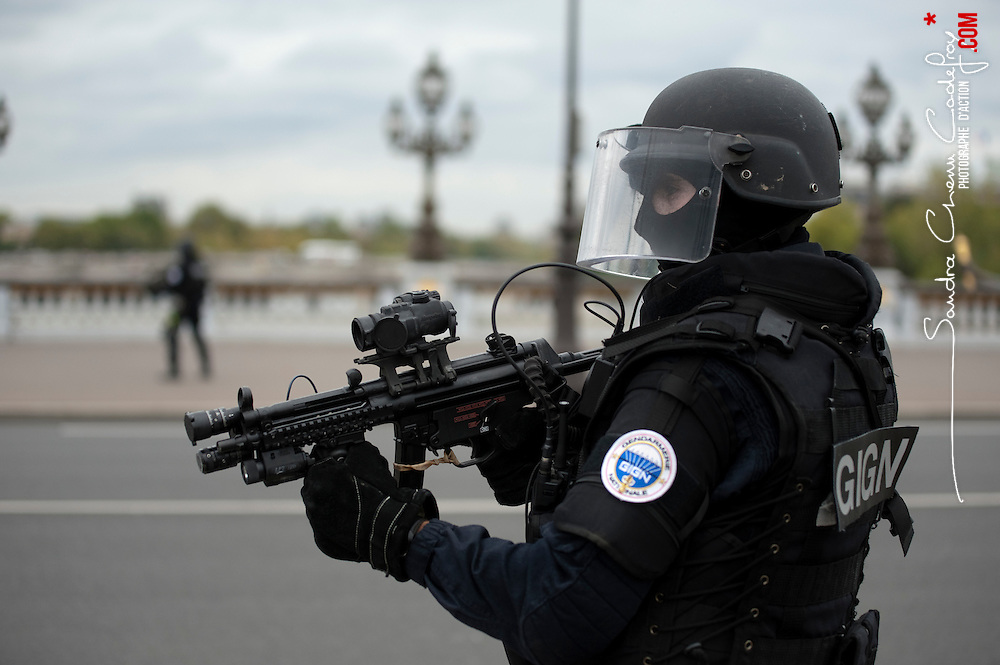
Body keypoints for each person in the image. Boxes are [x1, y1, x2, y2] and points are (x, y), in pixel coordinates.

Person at [300, 68, 914, 665]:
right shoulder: (841, 345)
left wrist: (404, 537)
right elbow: (724, 539)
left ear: (740, 195)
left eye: (668, 190)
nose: (646, 218)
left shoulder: (700, 376)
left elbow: (559, 610)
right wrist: (550, 452)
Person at [151, 239, 211, 379]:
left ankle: (174, 368)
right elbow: (203, 286)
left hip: (181, 307)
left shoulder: (179, 267)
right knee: (197, 334)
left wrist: (157, 290)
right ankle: (205, 366)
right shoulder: (199, 266)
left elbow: (171, 284)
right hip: (195, 307)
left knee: (171, 332)